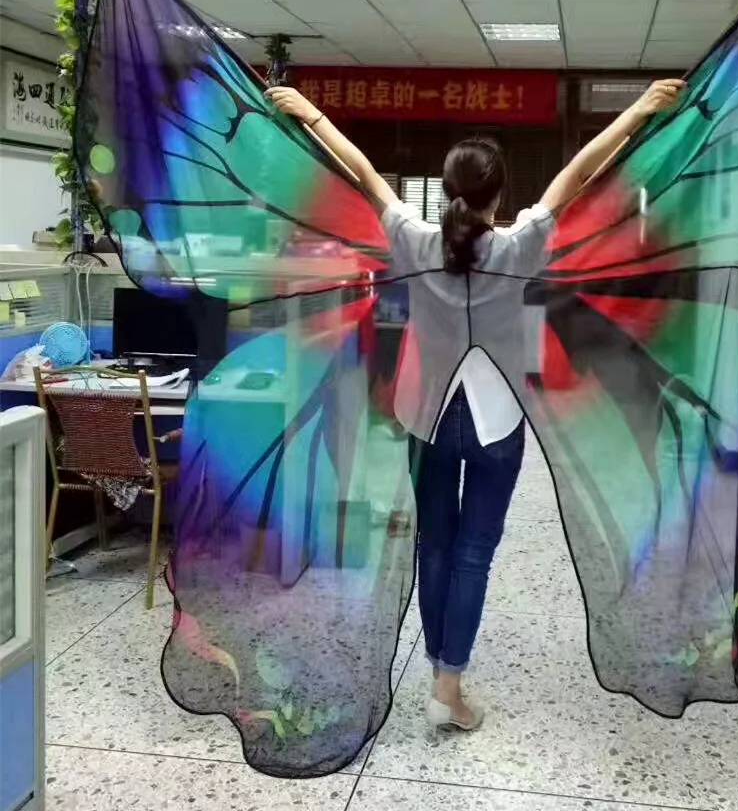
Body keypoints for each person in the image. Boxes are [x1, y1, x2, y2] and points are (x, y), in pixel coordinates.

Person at [266, 78, 685, 731]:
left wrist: (311, 114)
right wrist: (639, 109)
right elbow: (579, 174)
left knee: (435, 544)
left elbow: (363, 172)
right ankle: (448, 683)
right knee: (473, 553)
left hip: (425, 417)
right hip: (497, 423)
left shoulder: (414, 238)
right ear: (499, 195)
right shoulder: (520, 245)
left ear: (447, 189)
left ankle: (441, 666)